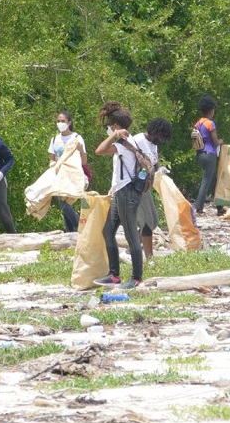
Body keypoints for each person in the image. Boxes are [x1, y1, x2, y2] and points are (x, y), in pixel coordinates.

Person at [93, 102, 171, 289]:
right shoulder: (131, 142)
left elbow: (99, 150)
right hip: (120, 190)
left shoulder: (125, 143)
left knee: (131, 235)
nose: (108, 129)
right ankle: (114, 275)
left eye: (110, 127)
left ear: (117, 127)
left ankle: (136, 278)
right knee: (107, 231)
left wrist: (114, 135)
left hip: (127, 192)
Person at [47, 111, 90, 232]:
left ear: (69, 122)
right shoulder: (55, 139)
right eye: (58, 121)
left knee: (65, 204)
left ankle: (77, 226)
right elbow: (52, 157)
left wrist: (81, 150)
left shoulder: (76, 137)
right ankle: (70, 231)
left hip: (72, 174)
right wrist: (52, 163)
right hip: (59, 174)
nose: (60, 123)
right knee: (63, 203)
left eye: (63, 121)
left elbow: (84, 161)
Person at [193, 96, 224, 216]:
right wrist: (221, 141)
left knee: (213, 180)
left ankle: (220, 207)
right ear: (211, 110)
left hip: (200, 154)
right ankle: (199, 207)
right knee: (206, 181)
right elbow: (216, 142)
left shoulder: (198, 123)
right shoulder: (210, 123)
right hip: (209, 154)